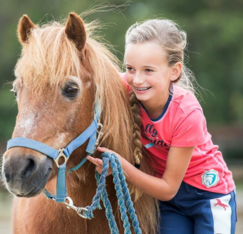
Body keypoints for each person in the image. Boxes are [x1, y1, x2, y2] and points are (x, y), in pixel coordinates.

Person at [87, 19, 237, 234]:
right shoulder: (124, 87)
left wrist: (122, 168)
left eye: (148, 70)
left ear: (174, 71)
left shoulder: (187, 114)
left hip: (208, 196)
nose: (137, 79)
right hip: (168, 203)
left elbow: (168, 188)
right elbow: (85, 81)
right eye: (130, 68)